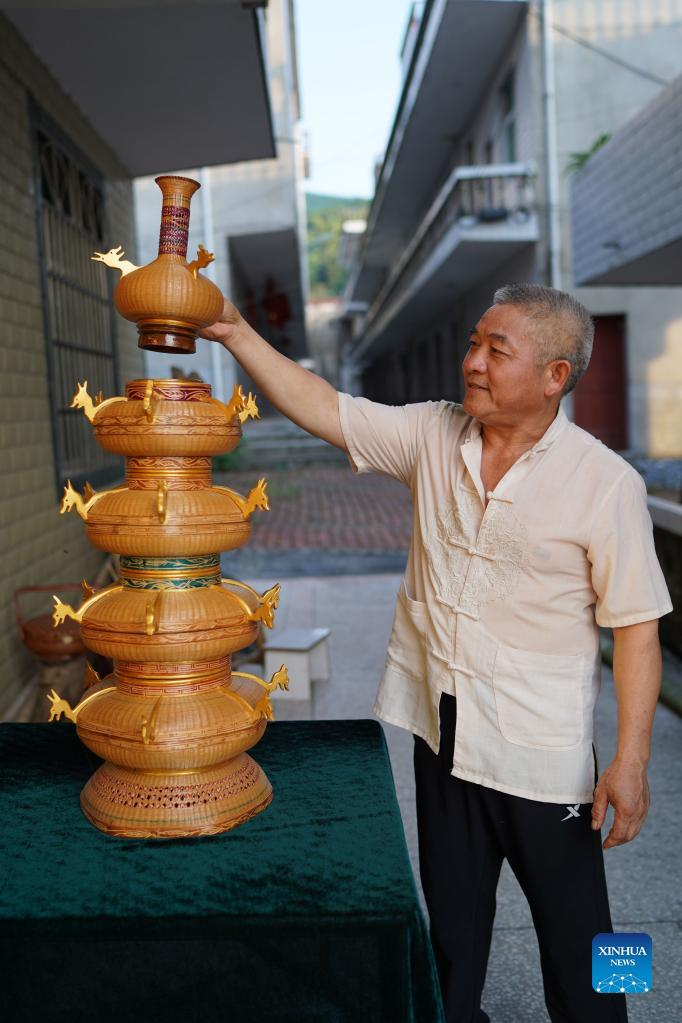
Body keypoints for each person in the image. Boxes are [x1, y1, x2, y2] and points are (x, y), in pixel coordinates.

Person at [201, 283, 672, 1023]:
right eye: (474, 342)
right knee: (452, 934)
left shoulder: (604, 483)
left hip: (541, 753)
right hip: (443, 732)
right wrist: (233, 331)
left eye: (496, 349)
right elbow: (328, 408)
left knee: (588, 940)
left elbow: (638, 625)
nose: (472, 363)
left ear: (555, 376)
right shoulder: (432, 434)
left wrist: (632, 758)